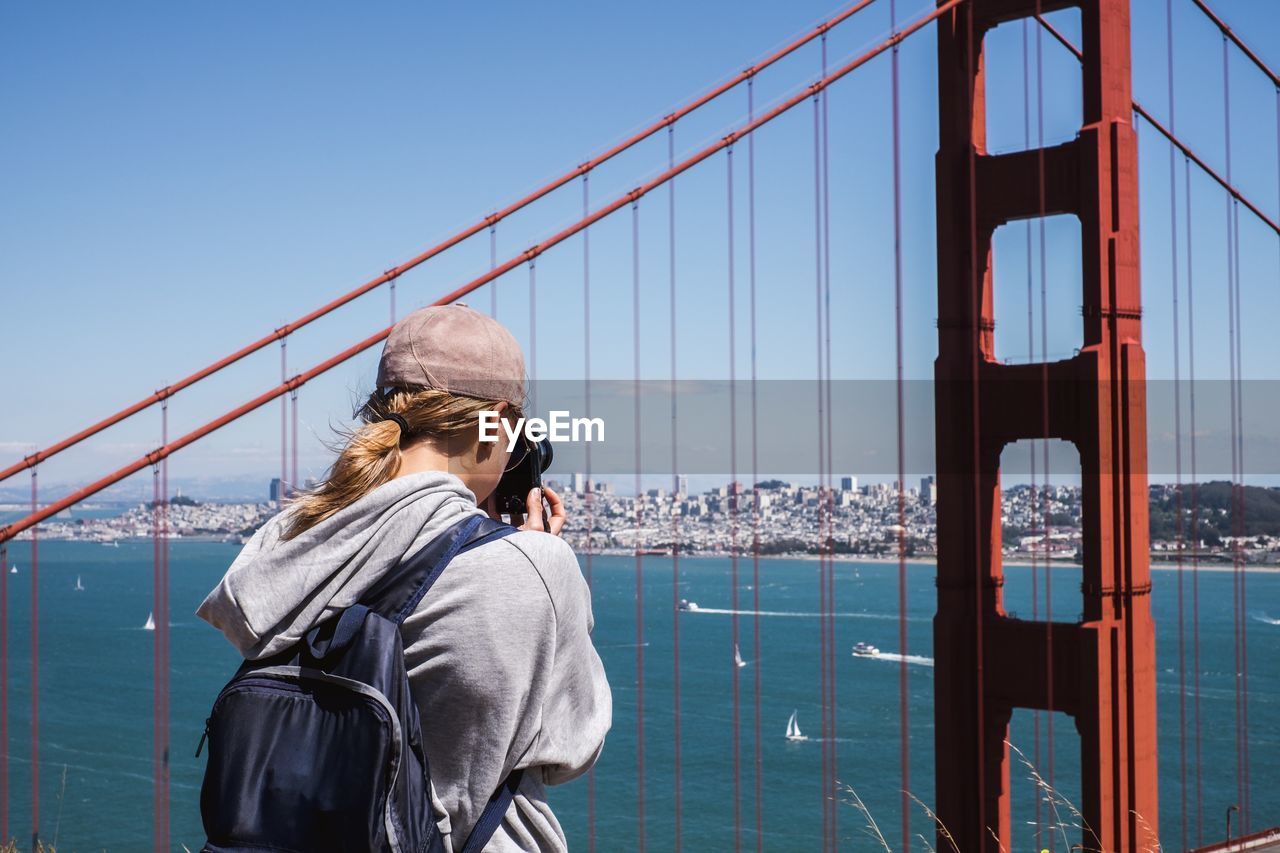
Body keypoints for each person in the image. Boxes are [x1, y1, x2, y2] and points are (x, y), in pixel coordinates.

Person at [196, 303, 611, 852]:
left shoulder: (291, 537)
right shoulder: (534, 566)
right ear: (499, 421)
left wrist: (478, 535)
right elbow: (570, 748)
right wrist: (534, 558)